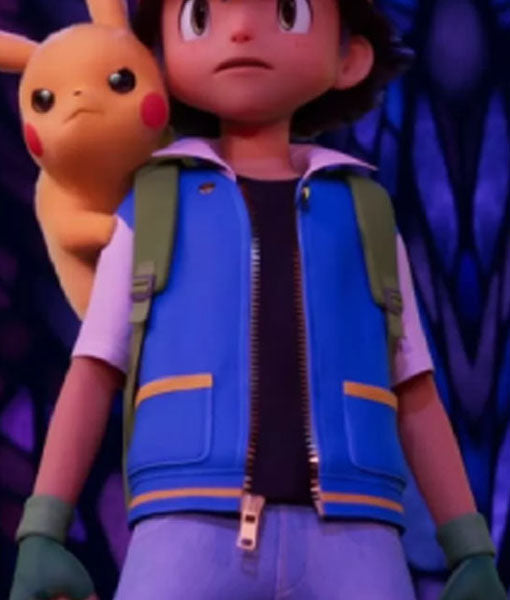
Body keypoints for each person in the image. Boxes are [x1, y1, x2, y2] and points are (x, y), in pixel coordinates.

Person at [9, 0, 507, 598]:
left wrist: (468, 545)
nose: (242, 30)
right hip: (184, 520)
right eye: (200, 15)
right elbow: (93, 371)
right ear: (160, 55)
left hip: (355, 526)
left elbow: (414, 387)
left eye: (287, 11)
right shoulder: (153, 206)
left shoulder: (365, 210)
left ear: (350, 57)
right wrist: (43, 527)